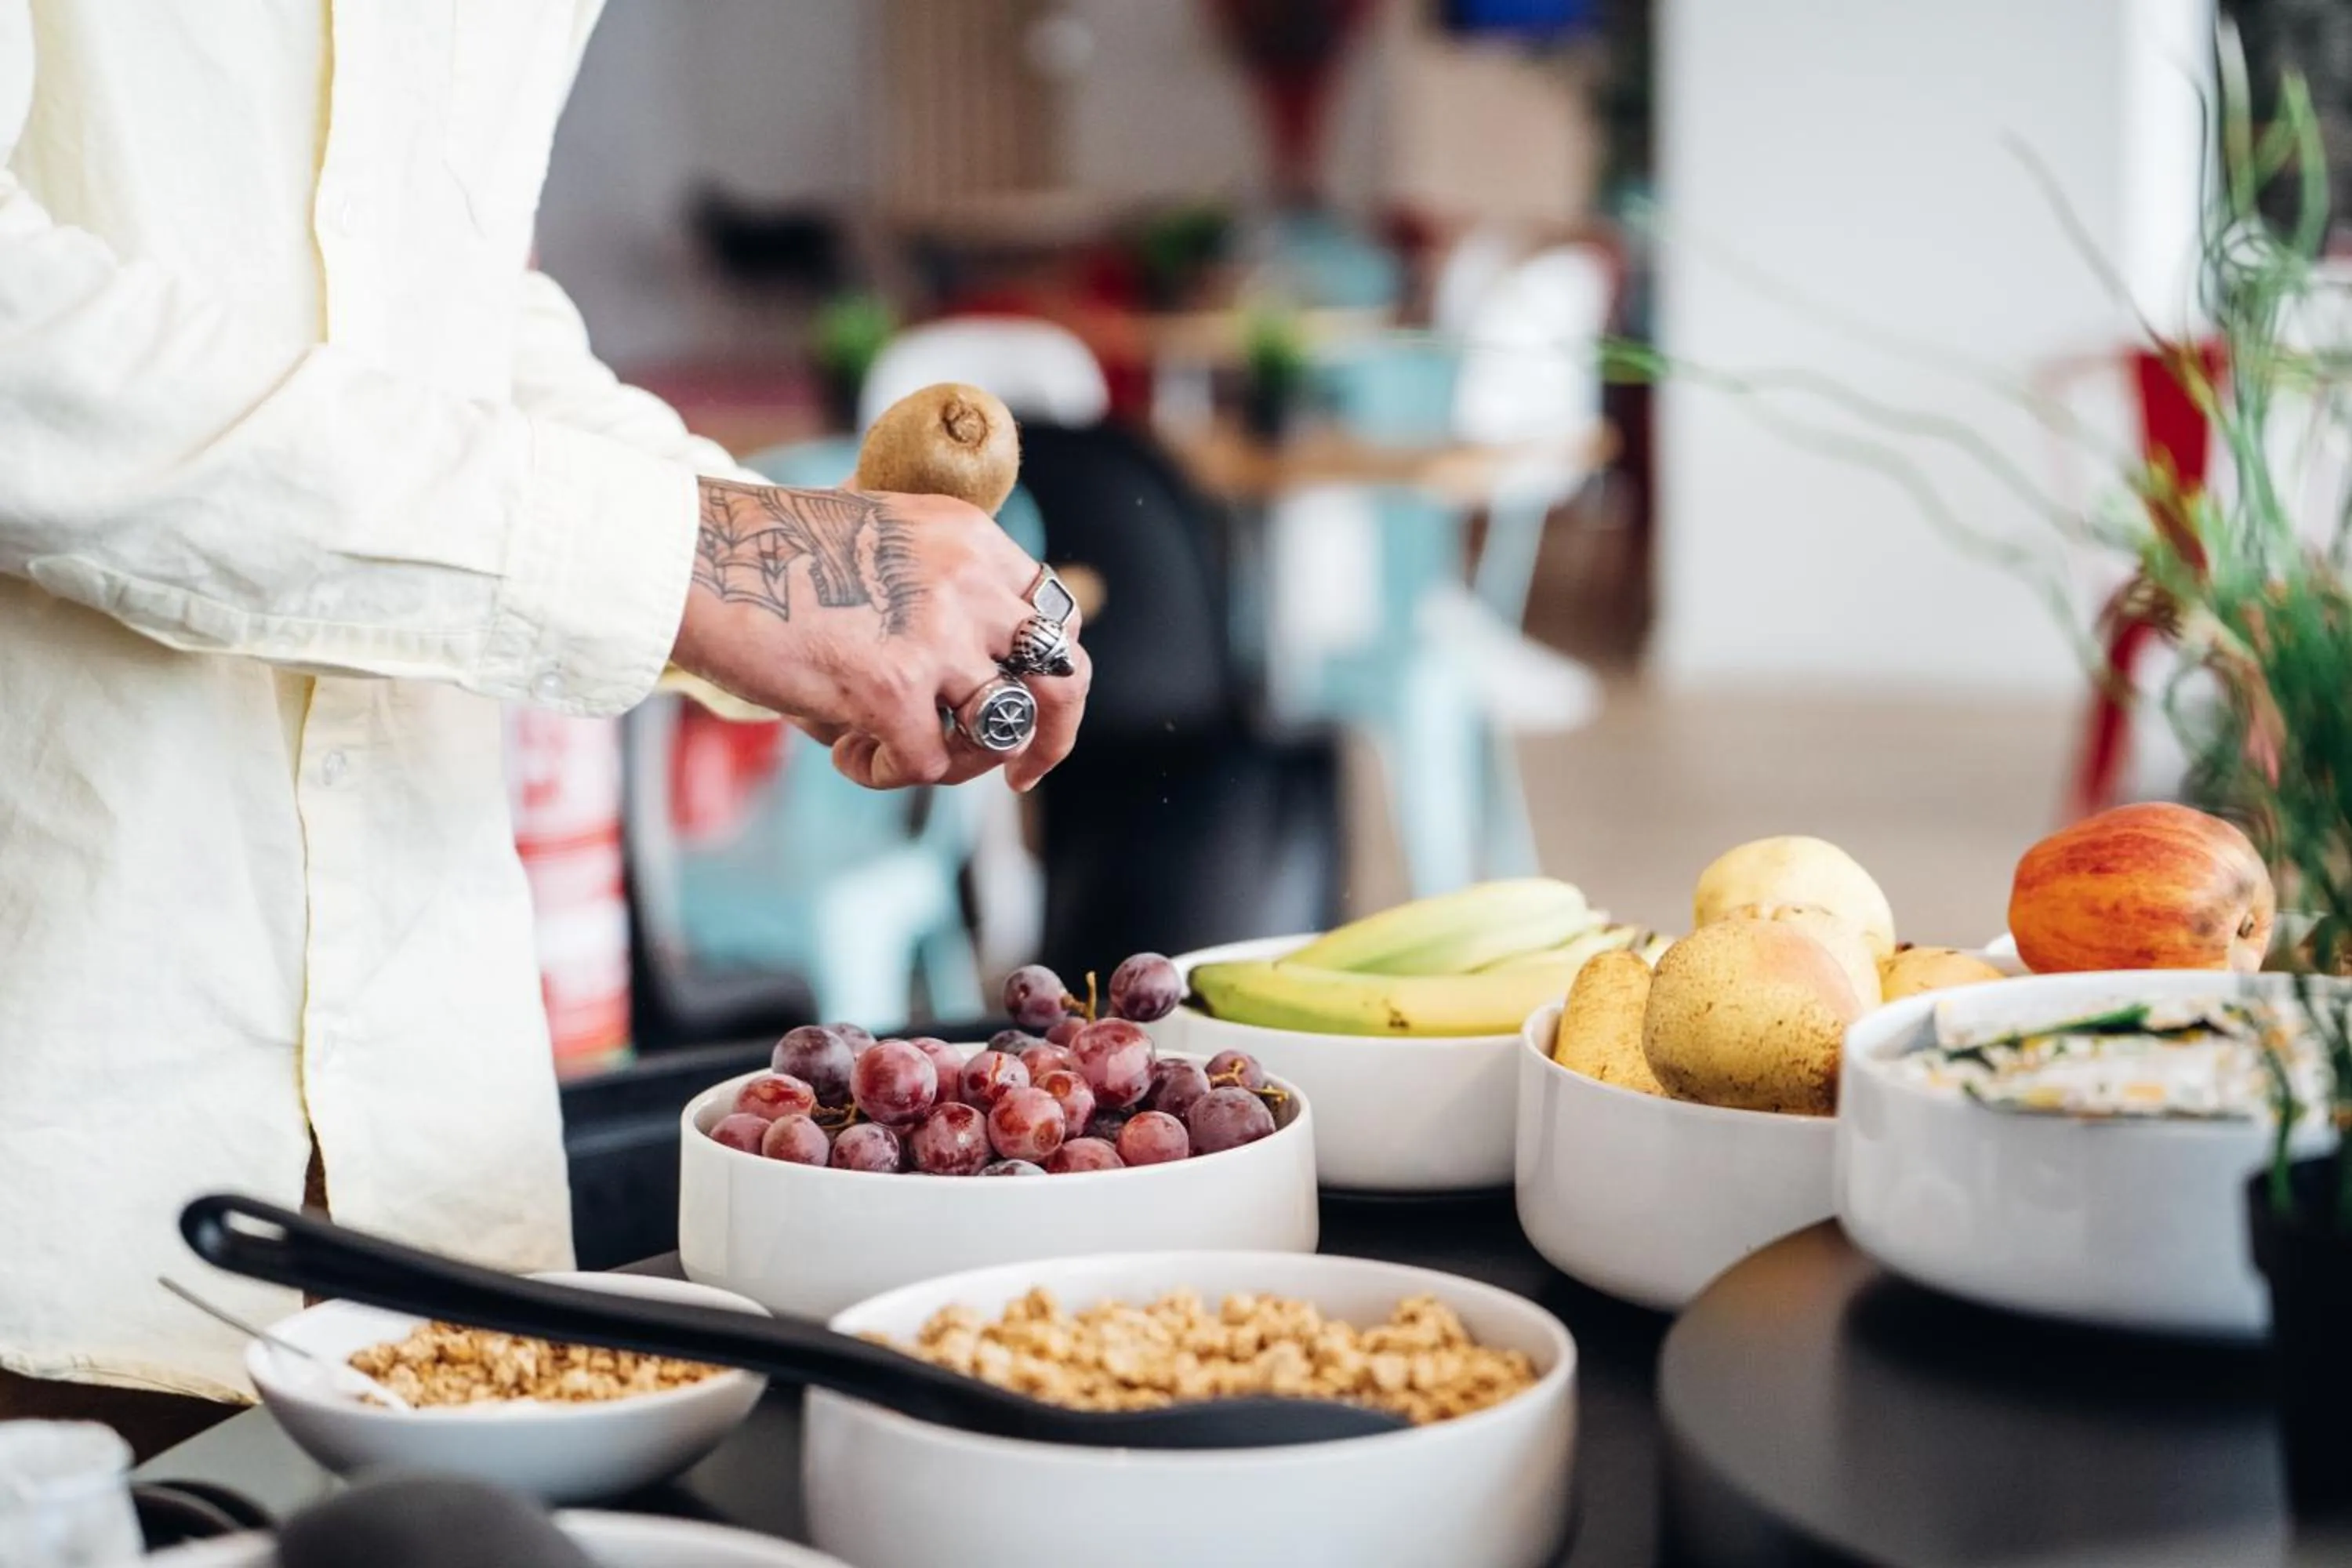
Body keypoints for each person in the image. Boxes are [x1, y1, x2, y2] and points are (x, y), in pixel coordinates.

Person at [0, 2, 1090, 1457]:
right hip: (57, 1139)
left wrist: (782, 558)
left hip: (438, 1158)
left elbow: (439, 317)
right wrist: (695, 563)